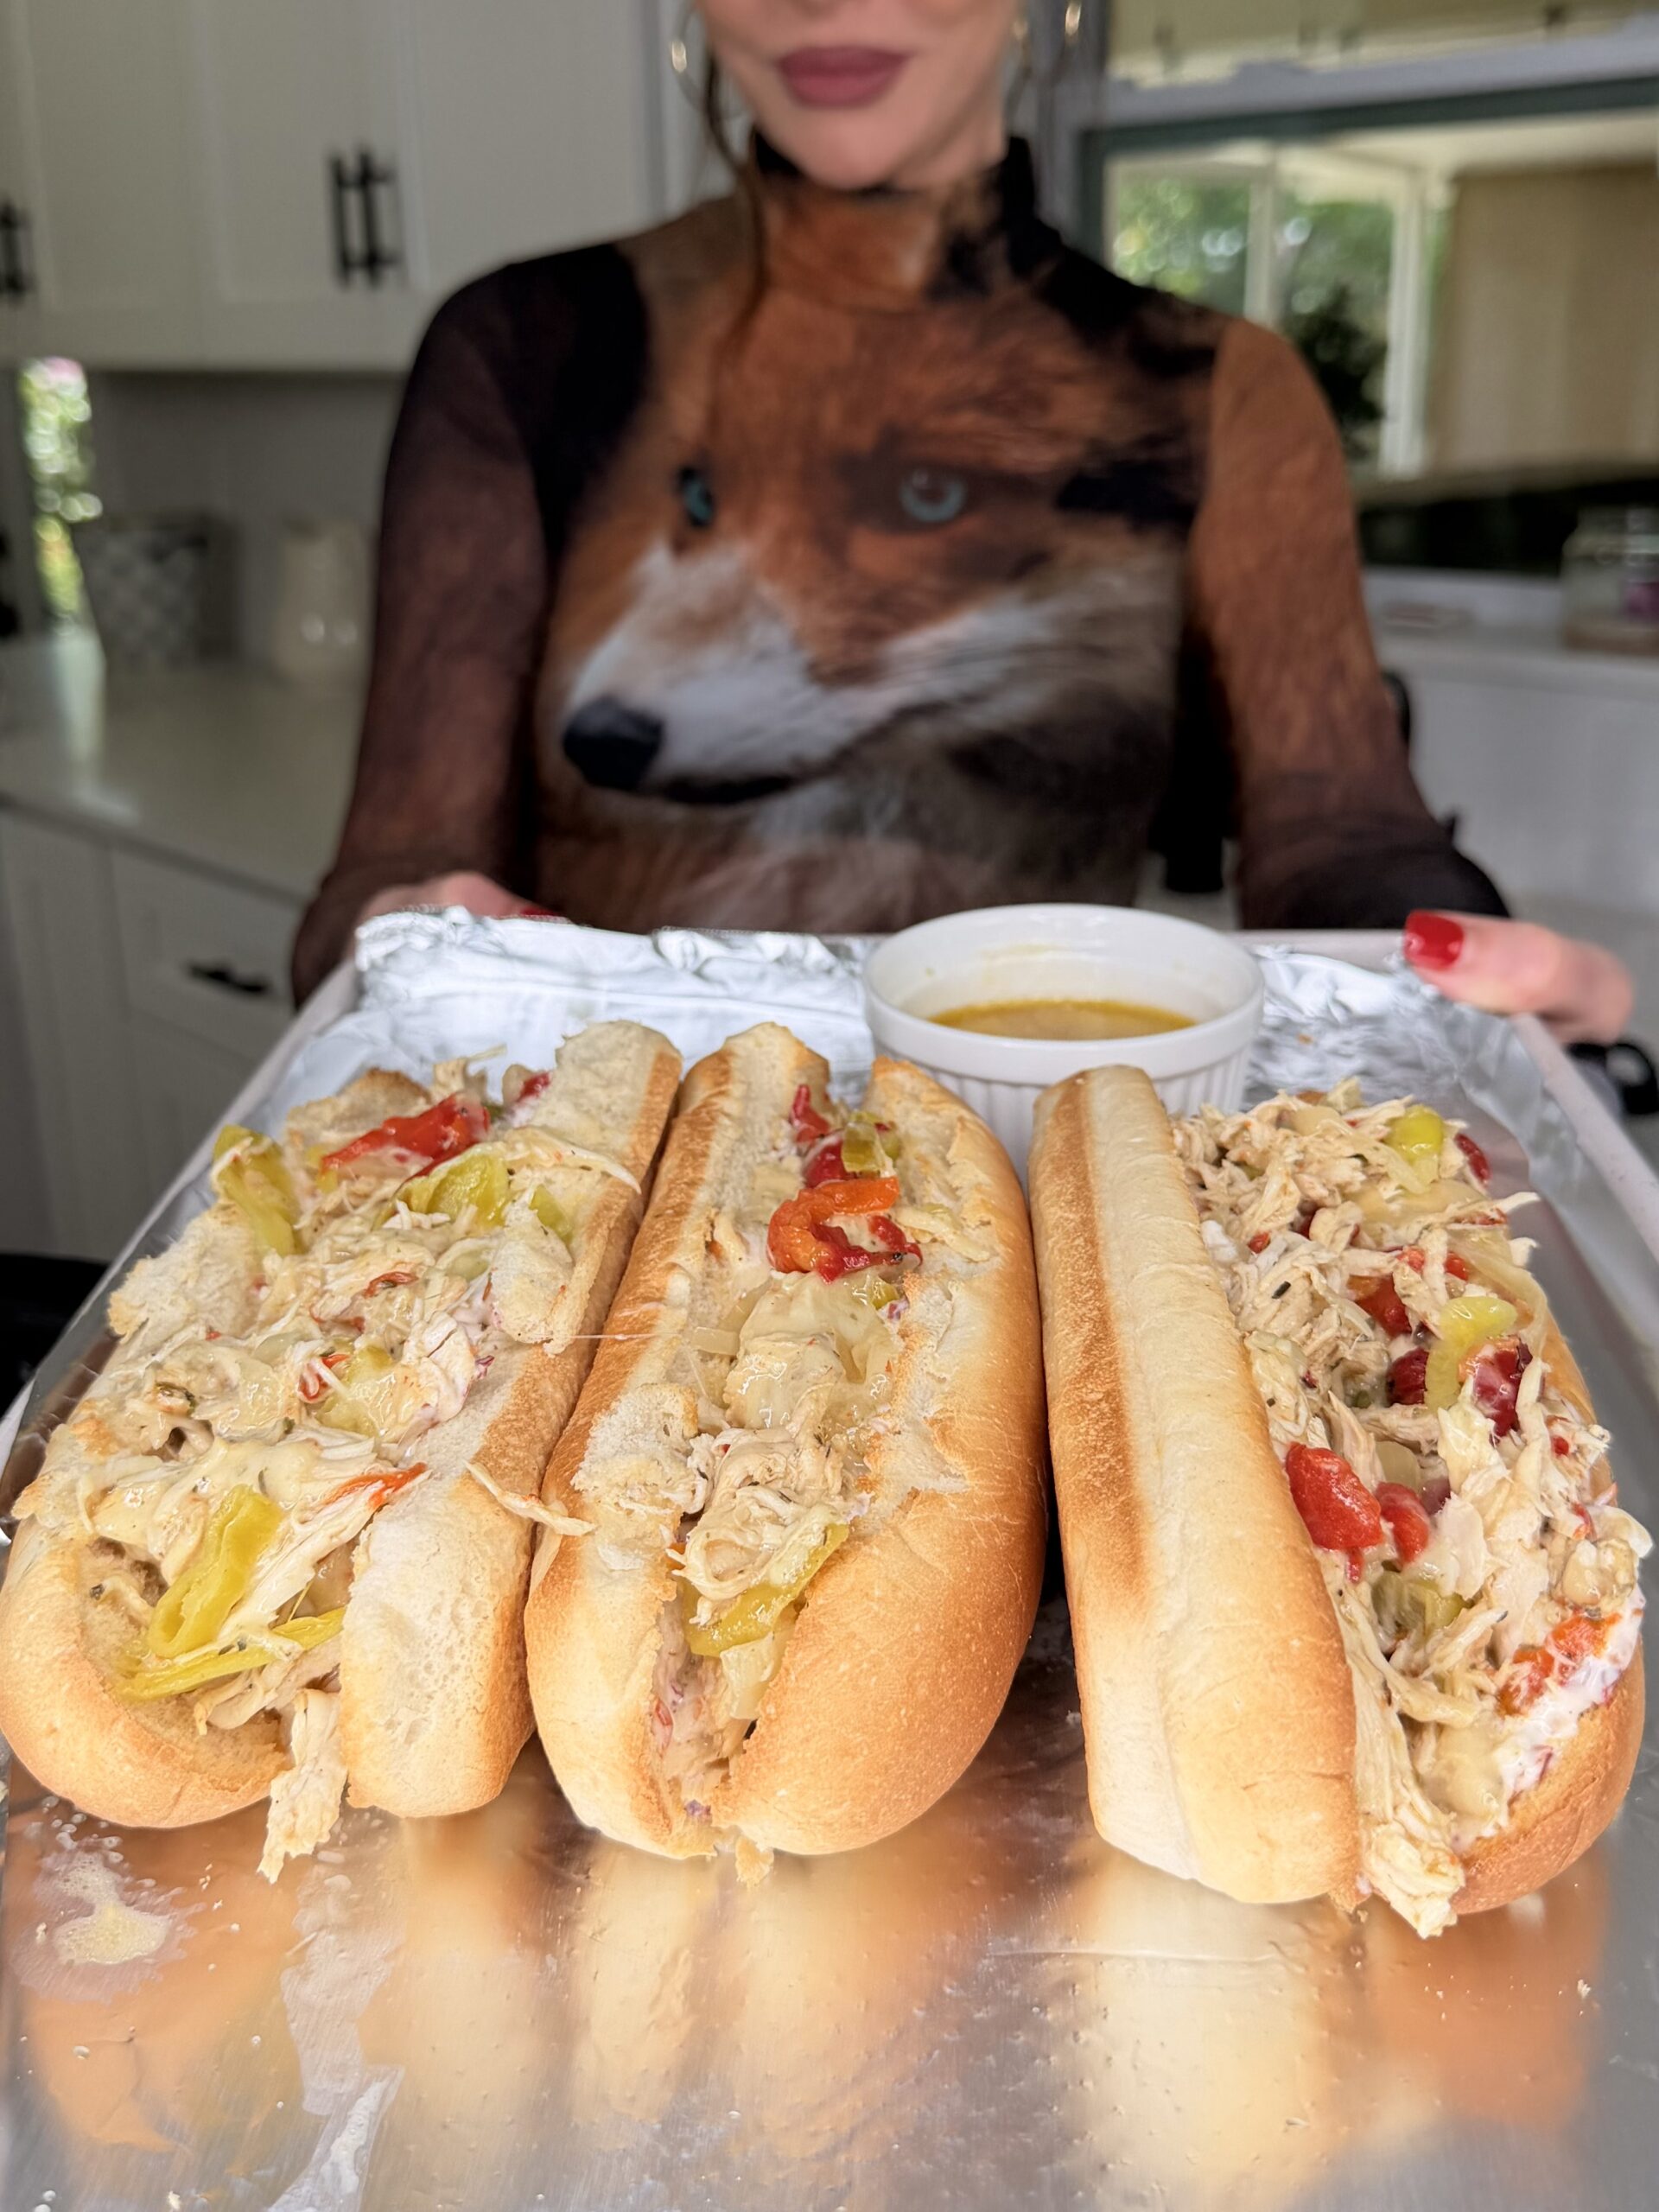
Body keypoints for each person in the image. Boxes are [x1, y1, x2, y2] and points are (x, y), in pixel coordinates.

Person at [292, 0, 1632, 1048]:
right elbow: (393, 873)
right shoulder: (526, 348)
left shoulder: (1211, 386)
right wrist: (398, 934)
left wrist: (1452, 964)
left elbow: (1338, 832)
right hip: (600, 1179)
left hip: (1024, 1162)